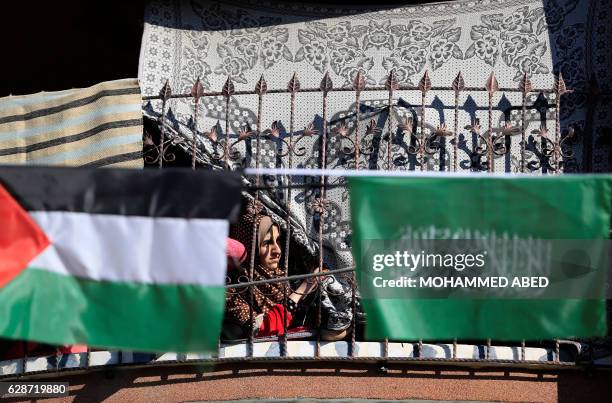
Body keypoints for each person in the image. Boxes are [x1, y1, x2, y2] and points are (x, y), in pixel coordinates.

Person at [222, 212, 321, 340]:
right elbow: (263, 329)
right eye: (267, 242)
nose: (277, 250)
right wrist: (304, 288)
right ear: (250, 245)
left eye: (277, 240)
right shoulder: (232, 287)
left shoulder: (285, 276)